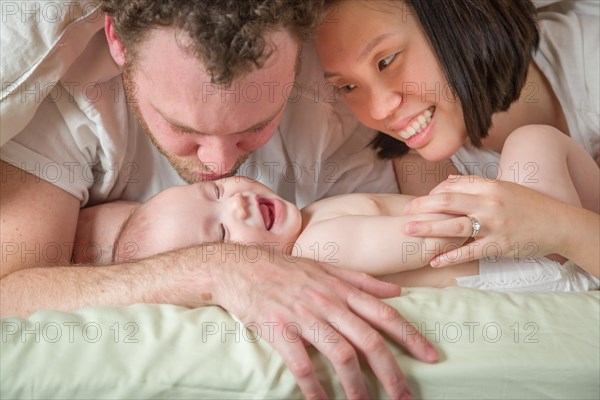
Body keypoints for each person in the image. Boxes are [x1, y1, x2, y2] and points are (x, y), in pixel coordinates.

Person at [0, 1, 436, 398]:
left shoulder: (334, 87)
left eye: (256, 127)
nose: (222, 164)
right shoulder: (65, 101)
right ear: (117, 41)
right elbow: (9, 293)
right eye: (185, 131)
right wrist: (215, 268)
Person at [75, 127, 599, 291]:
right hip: (530, 263)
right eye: (221, 237)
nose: (236, 205)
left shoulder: (316, 218)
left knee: (535, 151)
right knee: (532, 143)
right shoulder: (318, 247)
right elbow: (428, 236)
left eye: (215, 193)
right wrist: (494, 213)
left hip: (529, 249)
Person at [314, 0, 600, 276]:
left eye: (386, 61)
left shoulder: (590, 58)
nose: (379, 109)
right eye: (349, 86)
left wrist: (561, 227)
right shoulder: (425, 169)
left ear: (452, 21)